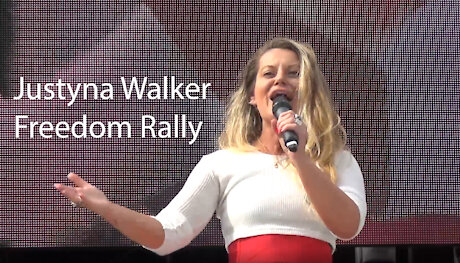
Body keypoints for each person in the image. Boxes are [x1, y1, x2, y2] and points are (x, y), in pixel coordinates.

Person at [54, 37, 367, 262]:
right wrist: (106, 208)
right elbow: (167, 234)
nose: (280, 80)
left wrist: (299, 156)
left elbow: (348, 226)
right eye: (269, 73)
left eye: (293, 73)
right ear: (252, 97)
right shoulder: (222, 165)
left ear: (308, 91)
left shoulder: (336, 160)